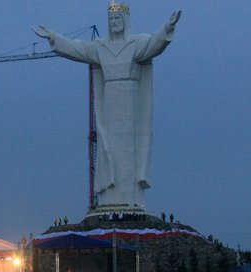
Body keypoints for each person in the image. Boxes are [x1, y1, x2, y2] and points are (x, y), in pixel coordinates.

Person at [33, 1, 181, 208]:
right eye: (111, 19)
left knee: (129, 150)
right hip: (109, 103)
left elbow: (155, 44)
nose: (114, 23)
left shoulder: (136, 44)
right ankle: (110, 197)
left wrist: (168, 27)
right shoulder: (100, 47)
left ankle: (130, 199)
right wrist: (54, 37)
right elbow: (76, 48)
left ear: (126, 21)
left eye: (118, 19)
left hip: (130, 102)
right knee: (107, 147)